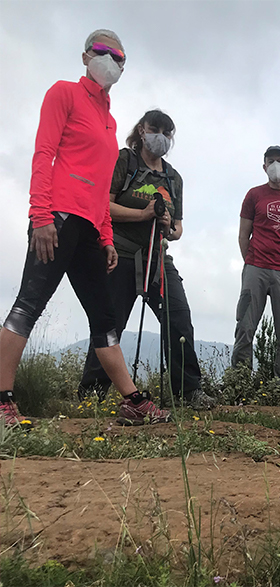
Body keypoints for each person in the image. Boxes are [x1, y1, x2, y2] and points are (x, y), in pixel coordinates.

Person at [0, 29, 170, 426]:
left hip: (90, 229)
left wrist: (106, 236)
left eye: (119, 56)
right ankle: (2, 400)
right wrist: (40, 216)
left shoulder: (110, 121)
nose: (111, 60)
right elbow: (44, 153)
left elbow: (100, 185)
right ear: (85, 57)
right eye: (103, 51)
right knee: (29, 306)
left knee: (104, 317)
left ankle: (132, 401)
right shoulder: (64, 93)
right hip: (56, 218)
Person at [77, 110, 217, 410]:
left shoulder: (173, 178)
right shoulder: (124, 161)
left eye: (168, 133)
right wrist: (142, 215)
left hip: (158, 257)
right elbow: (102, 204)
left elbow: (178, 228)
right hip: (120, 252)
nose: (162, 138)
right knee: (110, 323)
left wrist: (167, 224)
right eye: (157, 130)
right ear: (142, 130)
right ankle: (92, 393)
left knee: (178, 318)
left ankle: (188, 391)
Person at [233, 146, 280, 395]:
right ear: (264, 166)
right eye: (271, 161)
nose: (276, 165)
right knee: (245, 326)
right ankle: (240, 382)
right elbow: (243, 235)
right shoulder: (254, 195)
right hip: (256, 267)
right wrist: (251, 261)